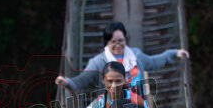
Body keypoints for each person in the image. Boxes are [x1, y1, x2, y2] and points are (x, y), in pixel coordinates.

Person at [55, 21, 189, 97]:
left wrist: (173, 53)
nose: (118, 45)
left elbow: (153, 62)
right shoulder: (98, 61)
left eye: (121, 40)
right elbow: (84, 79)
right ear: (106, 43)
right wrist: (69, 83)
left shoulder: (135, 55)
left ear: (126, 39)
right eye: (113, 42)